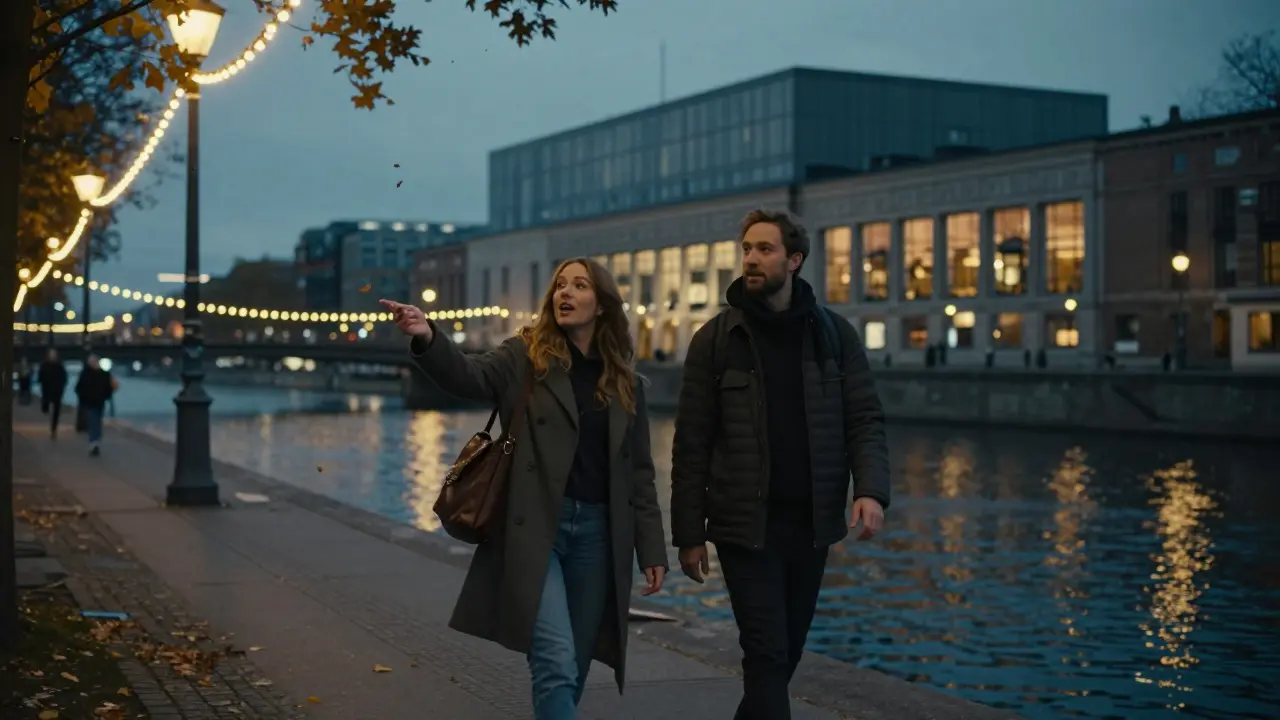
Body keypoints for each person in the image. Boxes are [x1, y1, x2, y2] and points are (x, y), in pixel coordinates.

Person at [381, 257, 669, 720]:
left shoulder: (624, 381)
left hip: (598, 536)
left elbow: (638, 472)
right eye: (560, 285)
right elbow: (468, 377)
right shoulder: (525, 356)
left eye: (579, 285)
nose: (565, 293)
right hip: (536, 530)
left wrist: (651, 548)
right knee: (555, 661)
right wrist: (428, 335)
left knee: (570, 666)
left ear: (603, 304)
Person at [670, 208, 892, 720]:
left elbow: (864, 419)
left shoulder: (833, 336)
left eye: (764, 249)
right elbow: (692, 444)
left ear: (794, 260)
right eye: (746, 248)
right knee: (767, 653)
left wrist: (870, 490)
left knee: (784, 654)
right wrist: (688, 533)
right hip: (744, 526)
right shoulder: (716, 340)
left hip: (811, 524)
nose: (751, 258)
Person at [74, 354, 115, 456]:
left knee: (96, 421)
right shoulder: (92, 373)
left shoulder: (93, 373)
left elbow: (108, 387)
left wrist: (105, 395)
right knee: (94, 421)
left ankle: (94, 442)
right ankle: (94, 442)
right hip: (91, 402)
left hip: (97, 402)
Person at [38, 349, 68, 438]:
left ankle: (54, 428)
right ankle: (45, 408)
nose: (53, 356)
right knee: (46, 405)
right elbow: (41, 377)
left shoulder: (59, 366)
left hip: (57, 391)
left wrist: (61, 386)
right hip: (47, 390)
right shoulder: (44, 366)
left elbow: (64, 377)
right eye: (51, 355)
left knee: (56, 410)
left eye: (54, 355)